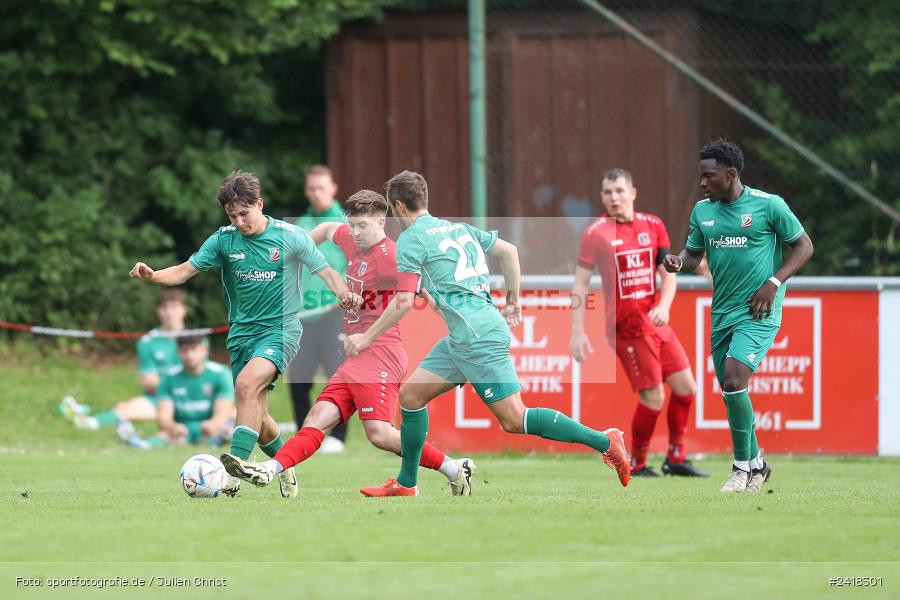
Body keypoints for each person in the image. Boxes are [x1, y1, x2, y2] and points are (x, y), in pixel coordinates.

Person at [345, 170, 631, 497]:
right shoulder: (459, 228)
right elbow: (508, 251)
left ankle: (606, 441)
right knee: (410, 397)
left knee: (514, 419)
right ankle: (407, 483)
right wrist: (513, 301)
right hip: (464, 336)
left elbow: (404, 301)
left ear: (397, 206)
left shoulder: (412, 238)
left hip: (476, 336)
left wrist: (366, 338)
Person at [221, 190, 475, 495]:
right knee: (316, 419)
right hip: (356, 357)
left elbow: (422, 293)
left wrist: (460, 337)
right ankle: (270, 469)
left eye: (362, 226)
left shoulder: (393, 256)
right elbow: (328, 230)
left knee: (380, 434)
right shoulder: (349, 237)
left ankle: (452, 468)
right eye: (351, 225)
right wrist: (294, 251)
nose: (354, 233)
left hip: (381, 353)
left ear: (381, 222)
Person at [129, 170, 357, 499]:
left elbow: (325, 271)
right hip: (241, 335)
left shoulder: (291, 236)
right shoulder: (223, 240)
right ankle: (284, 464)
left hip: (281, 330)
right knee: (260, 418)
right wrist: (152, 276)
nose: (239, 222)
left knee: (246, 385)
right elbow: (182, 272)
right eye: (232, 216)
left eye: (244, 214)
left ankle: (232, 470)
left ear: (259, 205)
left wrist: (343, 293)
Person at [663, 139, 814, 493]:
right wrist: (677, 262)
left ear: (730, 175)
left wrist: (774, 282)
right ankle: (758, 464)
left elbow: (804, 245)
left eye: (708, 176)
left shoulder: (768, 206)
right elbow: (692, 254)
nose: (702, 183)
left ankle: (741, 467)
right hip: (723, 313)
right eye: (700, 176)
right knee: (734, 390)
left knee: (732, 380)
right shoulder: (703, 211)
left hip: (759, 310)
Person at [571, 169, 708, 478]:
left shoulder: (653, 225)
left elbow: (667, 274)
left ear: (633, 192)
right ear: (602, 198)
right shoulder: (596, 233)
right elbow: (580, 285)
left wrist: (664, 306)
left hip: (655, 320)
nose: (614, 198)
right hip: (626, 328)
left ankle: (676, 459)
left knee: (686, 388)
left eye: (619, 191)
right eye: (608, 193)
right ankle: (639, 463)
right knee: (654, 397)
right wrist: (577, 333)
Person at [59, 289, 187, 439]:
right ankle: (90, 423)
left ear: (184, 310)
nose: (169, 313)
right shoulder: (148, 341)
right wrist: (176, 390)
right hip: (160, 398)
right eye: (165, 308)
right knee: (126, 408)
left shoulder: (196, 338)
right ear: (159, 311)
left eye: (174, 307)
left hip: (194, 399)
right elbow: (149, 382)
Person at [287, 165, 349, 454]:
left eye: (321, 188)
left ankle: (337, 436)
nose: (316, 193)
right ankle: (305, 435)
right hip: (303, 315)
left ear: (333, 189)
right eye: (311, 188)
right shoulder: (300, 225)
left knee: (337, 374)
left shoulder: (346, 224)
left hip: (336, 311)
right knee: (298, 377)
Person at [137, 335, 235, 449]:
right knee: (164, 435)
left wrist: (214, 424)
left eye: (193, 349)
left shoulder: (221, 374)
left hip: (209, 428)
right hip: (182, 430)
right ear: (178, 352)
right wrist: (173, 427)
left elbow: (222, 413)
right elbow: (164, 417)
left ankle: (220, 441)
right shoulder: (168, 377)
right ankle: (140, 444)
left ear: (204, 350)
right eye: (184, 350)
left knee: (232, 421)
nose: (189, 355)